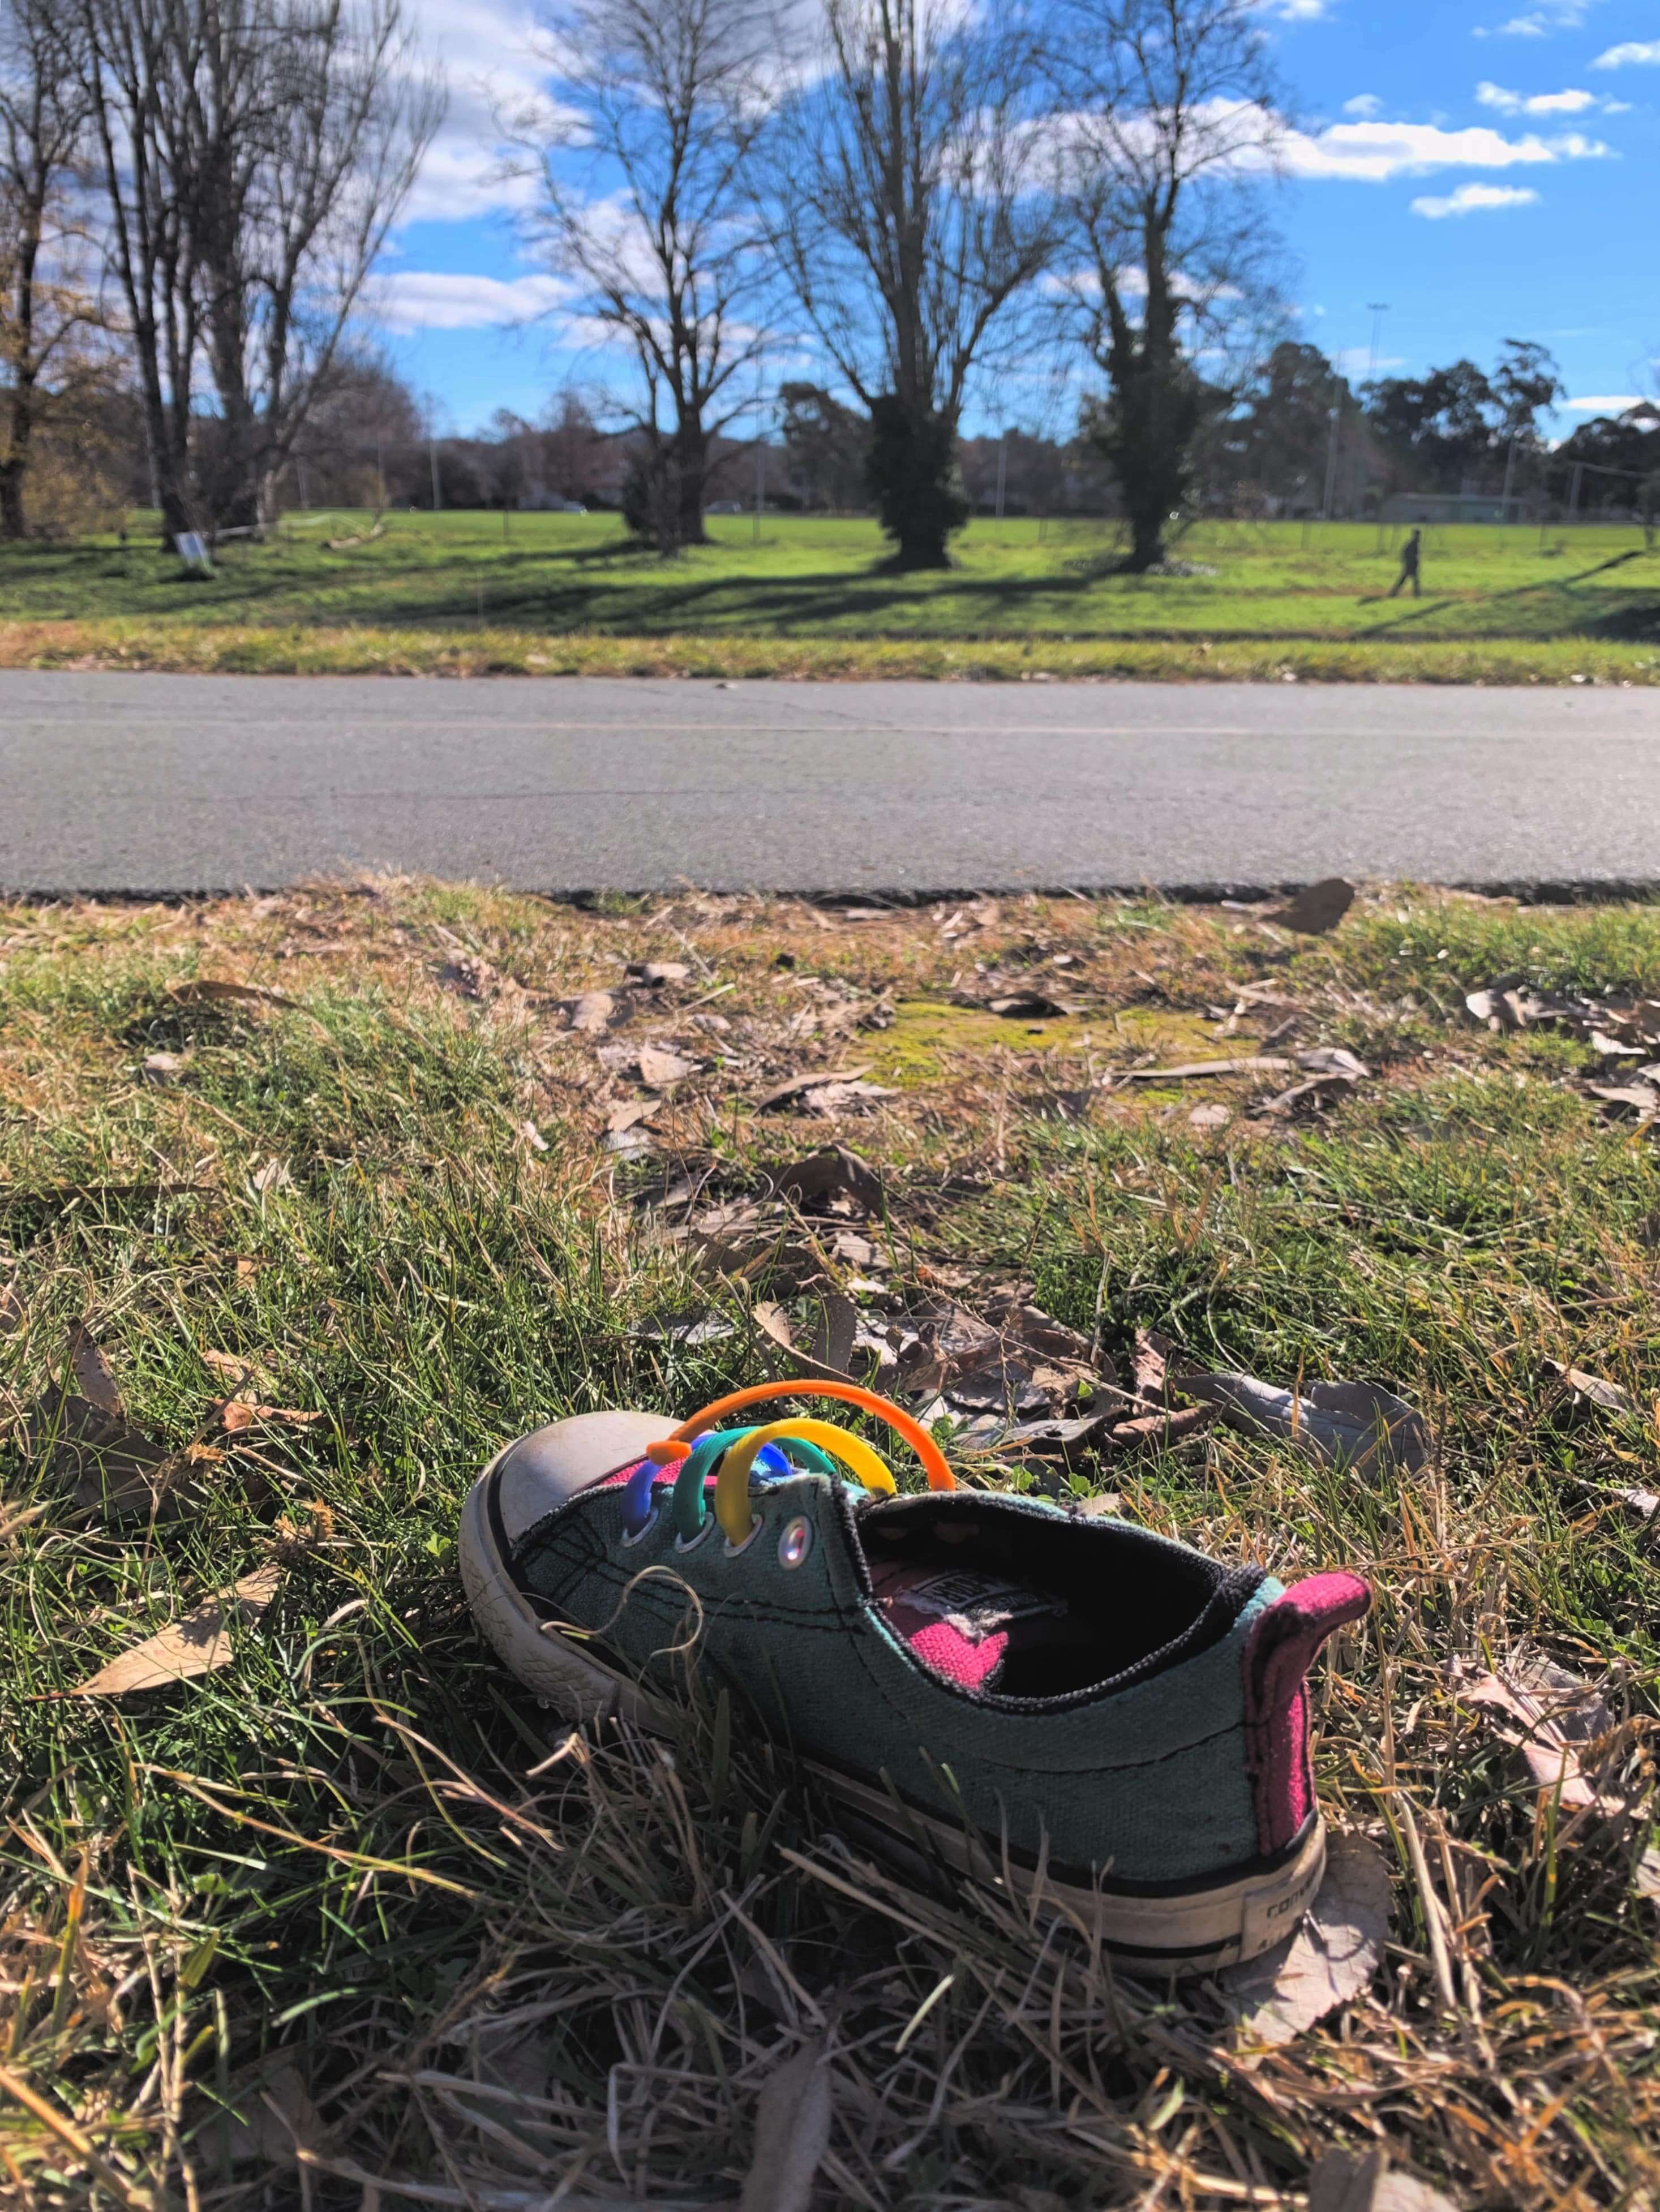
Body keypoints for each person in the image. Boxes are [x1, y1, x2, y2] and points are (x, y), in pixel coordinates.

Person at [1388, 526, 1422, 598]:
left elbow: (1405, 554)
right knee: (1408, 580)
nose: (1419, 537)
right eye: (1418, 535)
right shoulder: (1413, 544)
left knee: (1410, 580)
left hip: (1411, 565)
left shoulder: (1413, 544)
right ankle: (1416, 594)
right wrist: (1410, 563)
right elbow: (1408, 555)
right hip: (1411, 565)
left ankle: (1394, 593)